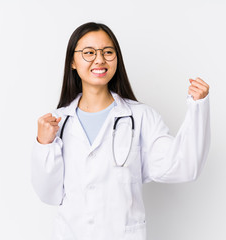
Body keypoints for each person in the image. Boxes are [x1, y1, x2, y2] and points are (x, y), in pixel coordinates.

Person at [31, 22, 210, 240]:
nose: (100, 59)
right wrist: (44, 144)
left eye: (108, 52)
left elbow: (182, 167)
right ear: (72, 62)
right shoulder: (58, 122)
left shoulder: (141, 117)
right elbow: (48, 194)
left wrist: (197, 108)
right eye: (89, 53)